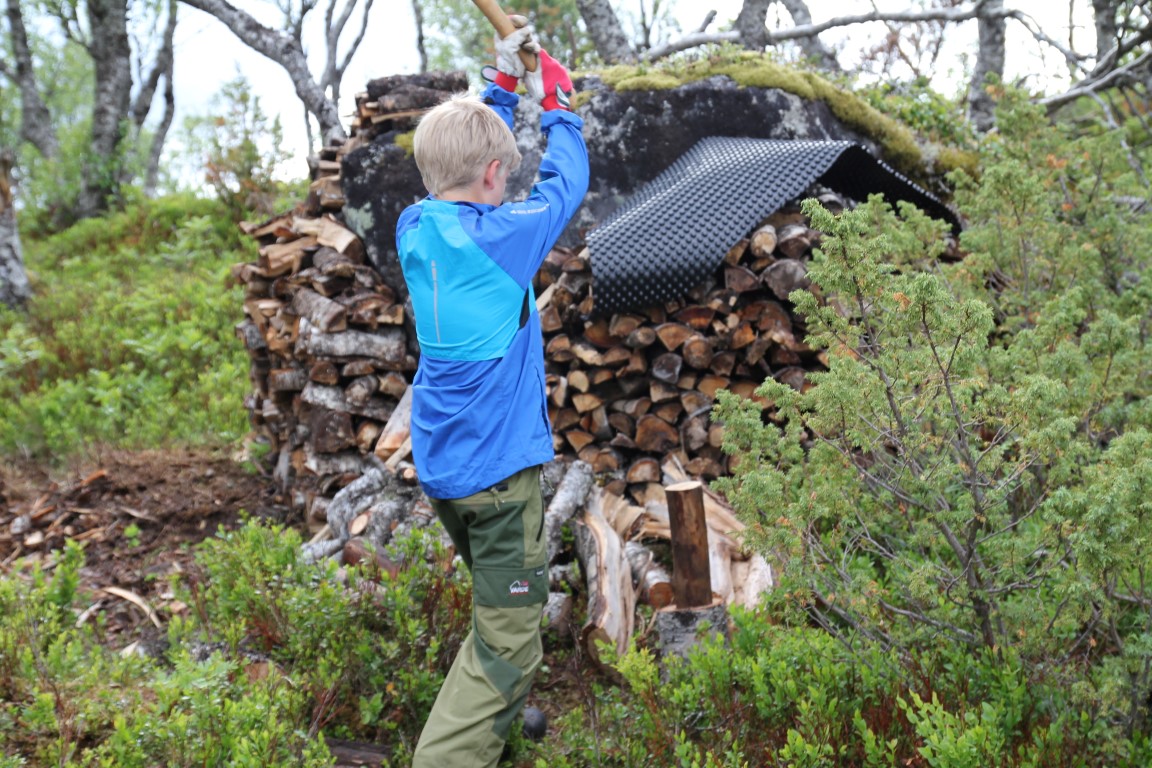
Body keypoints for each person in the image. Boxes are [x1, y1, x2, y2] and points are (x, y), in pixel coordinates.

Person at [395, 19, 589, 768]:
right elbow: (565, 181)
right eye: (500, 171)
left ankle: (497, 751)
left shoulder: (419, 226)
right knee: (509, 646)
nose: (505, 178)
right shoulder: (505, 237)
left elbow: (472, 161)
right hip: (501, 486)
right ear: (491, 181)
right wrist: (559, 98)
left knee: (495, 618)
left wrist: (503, 85)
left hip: (446, 473)